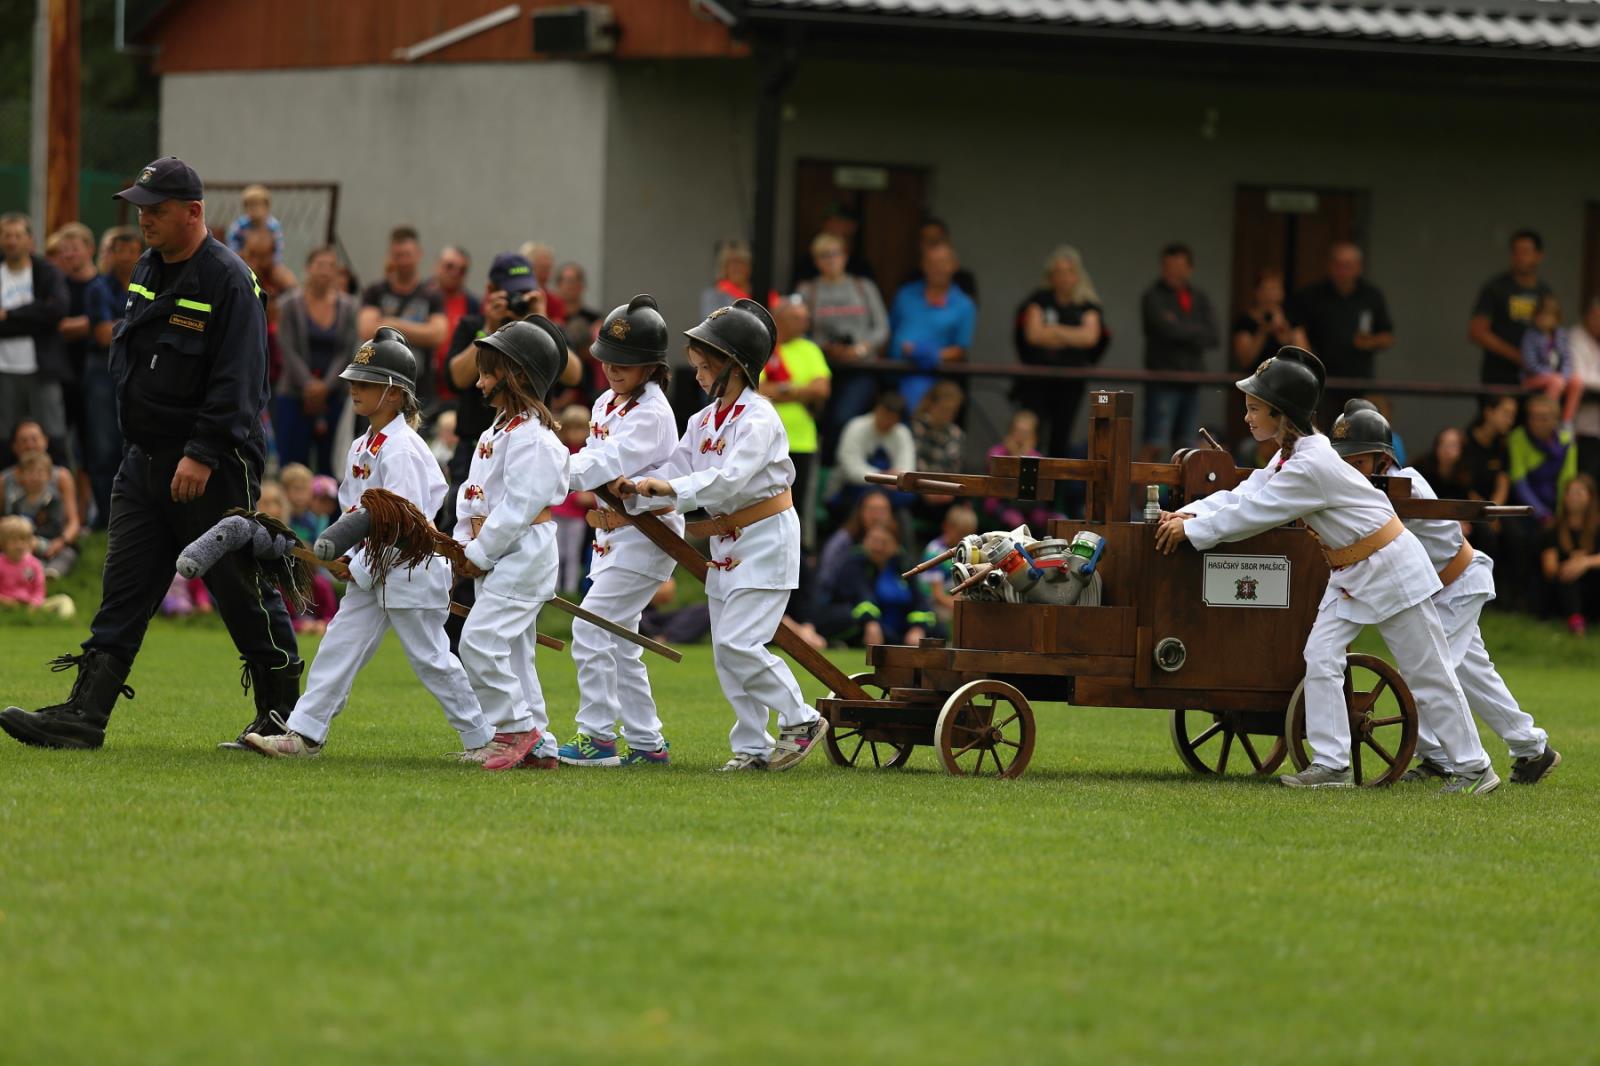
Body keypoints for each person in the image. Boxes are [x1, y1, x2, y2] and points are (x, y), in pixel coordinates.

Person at [0, 156, 302, 751]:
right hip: (142, 461)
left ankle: (284, 715)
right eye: (140, 209)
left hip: (210, 466)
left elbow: (240, 383)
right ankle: (84, 715)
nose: (145, 220)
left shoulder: (230, 280)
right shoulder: (147, 267)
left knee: (239, 587)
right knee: (125, 585)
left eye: (157, 210)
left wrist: (203, 451)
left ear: (194, 212)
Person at [1156, 346, 1500, 795]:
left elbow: (1252, 514)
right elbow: (1244, 494)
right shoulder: (1289, 458)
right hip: (1351, 571)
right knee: (1320, 656)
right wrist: (1188, 516)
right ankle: (1332, 764)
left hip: (1390, 566)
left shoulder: (1310, 465)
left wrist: (1191, 530)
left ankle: (1476, 768)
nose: (1246, 417)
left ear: (1282, 415)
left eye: (1254, 408)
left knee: (1427, 671)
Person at [244, 332, 494, 760]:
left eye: (366, 383)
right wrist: (347, 553)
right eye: (354, 381)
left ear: (395, 395)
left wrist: (356, 564)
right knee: (338, 645)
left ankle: (483, 739)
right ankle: (305, 735)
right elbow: (352, 510)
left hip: (410, 569)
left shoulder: (404, 450)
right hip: (372, 569)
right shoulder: (362, 445)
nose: (354, 389)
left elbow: (402, 523)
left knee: (432, 660)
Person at [614, 298, 829, 771]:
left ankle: (801, 717)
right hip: (725, 544)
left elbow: (727, 480)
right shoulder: (701, 421)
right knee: (726, 654)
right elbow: (675, 469)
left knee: (739, 643)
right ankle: (752, 747)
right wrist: (633, 491)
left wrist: (667, 487)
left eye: (705, 363)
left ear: (735, 366)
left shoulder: (760, 419)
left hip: (767, 540)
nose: (697, 372)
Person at [1329, 402, 1559, 784]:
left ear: (1383, 459)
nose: (1350, 468)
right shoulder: (1375, 489)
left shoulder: (1405, 485)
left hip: (1460, 583)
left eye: (1358, 459)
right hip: (1439, 590)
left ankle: (1438, 758)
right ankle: (1533, 748)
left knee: (1425, 671)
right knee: (1474, 674)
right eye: (1345, 460)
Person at [557, 295, 685, 768]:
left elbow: (604, 463)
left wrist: (552, 471)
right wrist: (583, 472)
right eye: (608, 357)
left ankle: (597, 738)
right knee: (623, 642)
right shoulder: (606, 403)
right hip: (612, 536)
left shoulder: (652, 412)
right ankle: (649, 744)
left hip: (648, 537)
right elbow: (598, 465)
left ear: (651, 367)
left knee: (589, 627)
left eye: (626, 362)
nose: (613, 368)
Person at [452, 318, 573, 772]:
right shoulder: (495, 432)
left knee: (479, 642)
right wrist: (462, 542)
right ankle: (540, 744)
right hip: (498, 553)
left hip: (523, 555)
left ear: (519, 375)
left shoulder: (536, 440)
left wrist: (478, 554)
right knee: (517, 653)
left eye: (489, 371)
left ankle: (516, 728)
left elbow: (518, 507)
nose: (480, 381)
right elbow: (473, 494)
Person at [799, 231, 889, 456]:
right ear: (815, 261)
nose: (830, 260)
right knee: (816, 421)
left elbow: (882, 327)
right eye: (823, 255)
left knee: (844, 419)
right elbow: (798, 329)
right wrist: (823, 347)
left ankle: (836, 474)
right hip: (820, 366)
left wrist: (860, 349)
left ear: (845, 256)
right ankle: (816, 479)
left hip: (859, 367)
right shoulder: (807, 290)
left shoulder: (863, 286)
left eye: (835, 254)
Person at [1014, 245, 1107, 458]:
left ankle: (1057, 491)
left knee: (1061, 434)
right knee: (1033, 432)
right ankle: (1031, 489)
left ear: (1077, 276)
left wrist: (1054, 331)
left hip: (1070, 381)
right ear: (1050, 276)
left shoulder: (1087, 305)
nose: (1063, 278)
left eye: (1069, 272)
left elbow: (1090, 337)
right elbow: (1034, 334)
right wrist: (1073, 335)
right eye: (1058, 272)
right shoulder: (1038, 299)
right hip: (1037, 379)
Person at [1289, 242, 1393, 425]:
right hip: (1321, 381)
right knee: (1320, 431)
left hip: (1359, 381)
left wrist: (1369, 342)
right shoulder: (1313, 295)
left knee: (1356, 432)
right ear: (1329, 266)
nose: (1342, 270)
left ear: (1358, 267)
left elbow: (1387, 336)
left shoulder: (1371, 296)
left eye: (1348, 265)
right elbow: (1295, 329)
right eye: (1338, 264)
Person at [275, 246, 358, 474]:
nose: (325, 271)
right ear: (308, 268)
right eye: (319, 264)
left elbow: (347, 350)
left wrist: (325, 387)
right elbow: (287, 347)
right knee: (292, 465)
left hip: (333, 397)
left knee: (330, 467)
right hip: (294, 394)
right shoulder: (290, 305)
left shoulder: (348, 306)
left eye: (331, 266)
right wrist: (309, 385)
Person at [760, 294, 832, 548]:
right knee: (764, 503)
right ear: (778, 318)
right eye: (796, 318)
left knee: (798, 507)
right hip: (764, 442)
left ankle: (798, 557)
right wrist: (801, 391)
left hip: (802, 443)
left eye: (805, 318)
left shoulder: (810, 349)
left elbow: (822, 389)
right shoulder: (763, 346)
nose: (804, 324)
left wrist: (782, 390)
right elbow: (757, 389)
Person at [0, 212, 69, 465]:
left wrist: (8, 315)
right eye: (7, 235)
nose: (12, 241)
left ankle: (61, 494)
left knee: (53, 434)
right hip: (4, 368)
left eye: (18, 235)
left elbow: (57, 311)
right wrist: (34, 319)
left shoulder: (46, 272)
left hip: (42, 367)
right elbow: (45, 316)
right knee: (5, 438)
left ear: (30, 240)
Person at [82, 226, 140, 527]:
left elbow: (114, 329)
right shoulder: (98, 287)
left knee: (133, 445)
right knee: (103, 446)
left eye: (134, 250)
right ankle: (105, 519)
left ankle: (130, 518)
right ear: (110, 253)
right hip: (103, 371)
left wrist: (126, 327)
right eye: (122, 250)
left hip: (139, 370)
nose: (128, 256)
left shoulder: (149, 283)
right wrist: (143, 325)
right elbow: (104, 335)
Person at [1140, 242, 1218, 459]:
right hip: (1163, 378)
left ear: (1189, 269)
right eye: (1168, 266)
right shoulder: (1153, 296)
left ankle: (1181, 493)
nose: (1173, 272)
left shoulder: (1199, 297)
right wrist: (1193, 330)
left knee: (1186, 444)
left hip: (1191, 379)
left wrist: (1178, 326)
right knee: (1155, 441)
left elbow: (1212, 335)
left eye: (1179, 266)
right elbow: (1163, 330)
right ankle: (1136, 494)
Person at [814, 518, 939, 647]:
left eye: (884, 542)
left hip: (900, 627)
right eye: (874, 541)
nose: (878, 547)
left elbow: (920, 601)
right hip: (866, 626)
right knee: (846, 618)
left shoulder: (904, 565)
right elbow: (861, 597)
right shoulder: (854, 563)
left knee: (937, 628)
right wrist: (870, 622)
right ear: (865, 541)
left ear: (896, 544)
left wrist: (918, 628)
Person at [358, 226, 447, 400]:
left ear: (418, 254)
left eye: (408, 255)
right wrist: (420, 331)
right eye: (398, 255)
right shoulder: (375, 292)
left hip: (419, 385)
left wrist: (392, 324)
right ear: (390, 255)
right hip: (379, 384)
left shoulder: (432, 296)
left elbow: (438, 334)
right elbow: (366, 330)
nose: (404, 261)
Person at [887, 241, 975, 411]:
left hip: (933, 380)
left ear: (954, 266)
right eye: (932, 263)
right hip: (892, 376)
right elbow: (891, 331)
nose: (938, 268)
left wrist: (923, 353)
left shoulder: (964, 304)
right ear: (923, 265)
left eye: (943, 263)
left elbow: (960, 350)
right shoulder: (905, 293)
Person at [1471, 229, 1551, 388]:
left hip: (1535, 377)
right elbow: (1477, 332)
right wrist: (1519, 356)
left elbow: (1552, 330)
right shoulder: (1496, 288)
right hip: (1499, 376)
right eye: (1515, 252)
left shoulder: (1545, 293)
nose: (1520, 257)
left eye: (1525, 252)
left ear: (1538, 256)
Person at [827, 391, 916, 511]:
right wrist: (883, 477)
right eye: (884, 415)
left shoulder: (902, 433)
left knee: (906, 499)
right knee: (874, 500)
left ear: (898, 419)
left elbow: (907, 468)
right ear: (877, 410)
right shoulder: (856, 426)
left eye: (892, 418)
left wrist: (893, 478)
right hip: (852, 488)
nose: (886, 421)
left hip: (891, 489)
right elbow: (850, 468)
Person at [1540, 474, 1600, 634]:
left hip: (1592, 588)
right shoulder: (1553, 528)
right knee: (1570, 574)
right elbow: (1550, 568)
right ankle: (1575, 621)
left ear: (1590, 497)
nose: (1574, 497)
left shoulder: (1597, 527)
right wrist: (1572, 564)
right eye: (1570, 493)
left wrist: (1585, 562)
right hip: (1562, 590)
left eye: (1579, 492)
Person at [3, 451, 79, 577]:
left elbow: (56, 526)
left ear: (49, 476)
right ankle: (26, 569)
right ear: (21, 476)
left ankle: (52, 571)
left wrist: (35, 539)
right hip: (21, 543)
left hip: (48, 542)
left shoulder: (53, 500)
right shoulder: (16, 500)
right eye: (30, 473)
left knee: (67, 554)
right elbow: (12, 521)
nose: (35, 477)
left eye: (39, 473)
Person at [425, 245, 478, 401]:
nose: (455, 273)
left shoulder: (472, 304)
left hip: (456, 389)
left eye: (462, 270)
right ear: (437, 266)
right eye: (449, 266)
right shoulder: (420, 297)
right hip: (420, 384)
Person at [1520, 294, 1582, 426]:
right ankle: (1548, 418)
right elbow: (1530, 364)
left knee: (1577, 381)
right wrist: (1551, 374)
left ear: (1556, 318)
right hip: (1532, 378)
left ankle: (1566, 421)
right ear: (1535, 317)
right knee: (1555, 381)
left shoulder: (1561, 335)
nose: (1544, 319)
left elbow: (1567, 359)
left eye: (1549, 315)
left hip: (1557, 378)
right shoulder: (1530, 336)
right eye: (1541, 315)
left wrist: (1564, 376)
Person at [0, 514, 74, 619]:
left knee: (64, 600)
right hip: (6, 605)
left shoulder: (34, 564)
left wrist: (34, 603)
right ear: (3, 543)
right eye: (13, 540)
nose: (19, 545)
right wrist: (5, 601)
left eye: (23, 540)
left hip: (32, 605)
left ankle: (63, 622)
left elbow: (39, 590)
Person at [919, 502, 978, 628]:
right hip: (932, 604)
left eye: (968, 535)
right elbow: (937, 595)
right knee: (957, 617)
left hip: (954, 599)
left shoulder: (967, 551)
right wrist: (961, 607)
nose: (964, 540)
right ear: (946, 527)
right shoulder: (935, 552)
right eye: (960, 534)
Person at [903, 217, 978, 302]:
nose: (938, 269)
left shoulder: (964, 283)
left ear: (954, 264)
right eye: (928, 240)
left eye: (937, 239)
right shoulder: (909, 285)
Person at [224, 184, 284, 261]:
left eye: (257, 205)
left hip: (268, 265)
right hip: (245, 263)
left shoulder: (274, 226)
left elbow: (278, 253)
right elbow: (232, 252)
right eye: (249, 205)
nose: (253, 209)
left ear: (266, 206)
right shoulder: (239, 226)